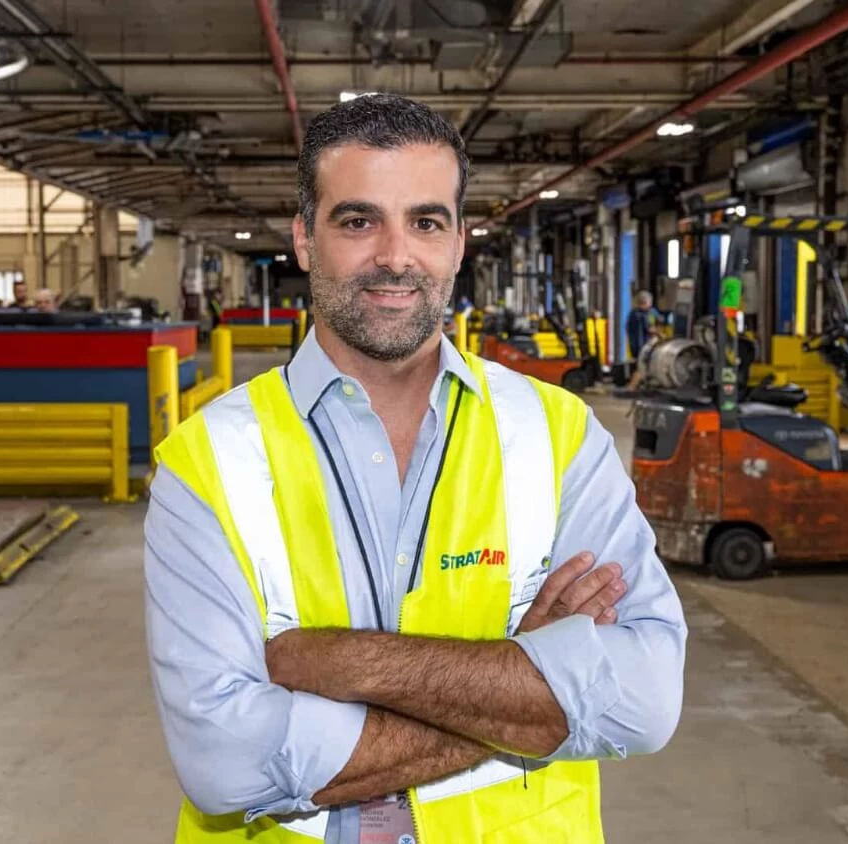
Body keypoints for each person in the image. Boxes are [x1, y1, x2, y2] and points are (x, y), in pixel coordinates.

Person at [145, 94, 686, 844]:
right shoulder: (208, 463)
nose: (396, 256)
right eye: (358, 220)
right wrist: (523, 677)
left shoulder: (559, 436)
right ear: (305, 238)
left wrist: (337, 662)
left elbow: (645, 701)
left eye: (426, 222)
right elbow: (225, 763)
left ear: (460, 242)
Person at [625, 290, 662, 359]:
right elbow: (649, 328)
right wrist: (658, 334)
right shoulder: (638, 315)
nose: (650, 305)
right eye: (649, 302)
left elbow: (659, 320)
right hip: (642, 347)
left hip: (640, 347)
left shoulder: (648, 312)